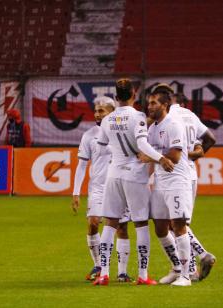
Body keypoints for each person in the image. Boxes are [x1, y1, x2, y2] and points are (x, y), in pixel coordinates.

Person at [93, 78, 174, 286]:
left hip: (113, 174)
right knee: (140, 223)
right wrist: (160, 158)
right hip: (134, 175)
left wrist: (118, 151)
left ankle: (103, 274)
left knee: (110, 223)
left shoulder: (107, 120)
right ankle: (143, 275)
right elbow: (142, 144)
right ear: (133, 95)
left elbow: (101, 147)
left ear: (116, 97)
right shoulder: (138, 116)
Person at [71, 96, 133, 283]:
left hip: (119, 185)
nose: (97, 114)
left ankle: (122, 272)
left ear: (112, 112)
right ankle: (99, 264)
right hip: (97, 187)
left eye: (102, 111)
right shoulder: (88, 135)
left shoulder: (123, 132)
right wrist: (76, 192)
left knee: (121, 227)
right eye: (96, 111)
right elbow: (82, 165)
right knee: (93, 223)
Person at [159, 85, 217, 282]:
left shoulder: (170, 117)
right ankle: (190, 270)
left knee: (176, 224)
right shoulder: (191, 115)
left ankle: (200, 257)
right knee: (179, 223)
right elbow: (210, 139)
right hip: (190, 174)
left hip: (174, 173)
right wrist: (193, 157)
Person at [141, 85, 194, 286]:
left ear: (165, 105)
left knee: (179, 226)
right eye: (149, 103)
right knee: (160, 228)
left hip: (177, 182)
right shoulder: (153, 127)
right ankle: (176, 268)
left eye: (154, 103)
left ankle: (187, 276)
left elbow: (175, 155)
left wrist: (150, 157)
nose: (150, 106)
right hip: (161, 183)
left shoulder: (173, 124)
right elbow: (155, 157)